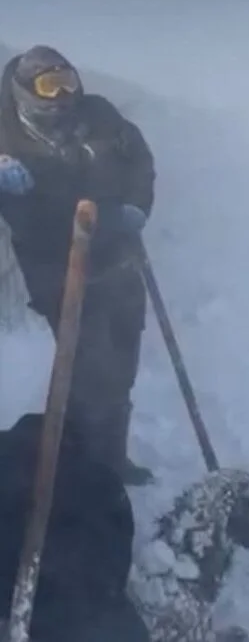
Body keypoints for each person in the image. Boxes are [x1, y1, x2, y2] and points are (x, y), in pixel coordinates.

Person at [0, 45, 156, 486]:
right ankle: (81, 467)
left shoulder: (101, 116)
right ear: (25, 92)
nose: (63, 94)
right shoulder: (5, 131)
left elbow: (140, 165)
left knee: (122, 360)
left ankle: (110, 459)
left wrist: (135, 208)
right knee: (88, 366)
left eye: (67, 80)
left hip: (117, 251)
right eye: (50, 86)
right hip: (55, 262)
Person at [0, 412, 150, 641]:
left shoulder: (98, 483)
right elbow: (119, 554)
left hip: (37, 602)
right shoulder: (103, 480)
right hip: (88, 608)